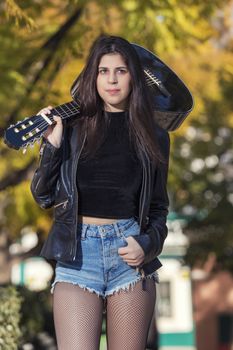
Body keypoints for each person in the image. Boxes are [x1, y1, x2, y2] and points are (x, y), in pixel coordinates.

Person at [31, 35, 170, 350]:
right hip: (78, 255)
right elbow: (43, 197)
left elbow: (160, 208)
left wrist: (147, 244)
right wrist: (52, 147)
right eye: (103, 71)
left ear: (133, 76)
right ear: (92, 76)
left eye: (120, 71)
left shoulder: (155, 135)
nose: (111, 79)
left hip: (130, 256)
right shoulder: (72, 128)